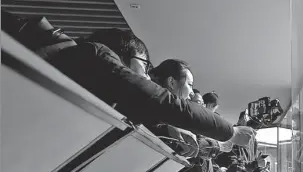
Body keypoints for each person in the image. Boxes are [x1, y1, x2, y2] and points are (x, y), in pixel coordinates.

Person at [48, 28, 254, 145]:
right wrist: (230, 132)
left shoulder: (92, 73)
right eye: (144, 65)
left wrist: (165, 128)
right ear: (122, 56)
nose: (147, 75)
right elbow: (160, 101)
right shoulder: (97, 55)